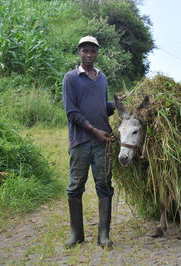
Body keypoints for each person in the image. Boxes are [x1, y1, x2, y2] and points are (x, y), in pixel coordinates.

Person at [62, 36, 114, 248]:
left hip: (103, 142)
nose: (89, 54)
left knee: (104, 186)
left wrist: (119, 103)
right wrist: (95, 131)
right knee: (75, 187)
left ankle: (103, 235)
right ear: (79, 53)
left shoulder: (102, 78)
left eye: (93, 51)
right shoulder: (71, 78)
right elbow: (72, 113)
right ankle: (77, 234)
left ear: (97, 53)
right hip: (81, 141)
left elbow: (102, 106)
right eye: (85, 51)